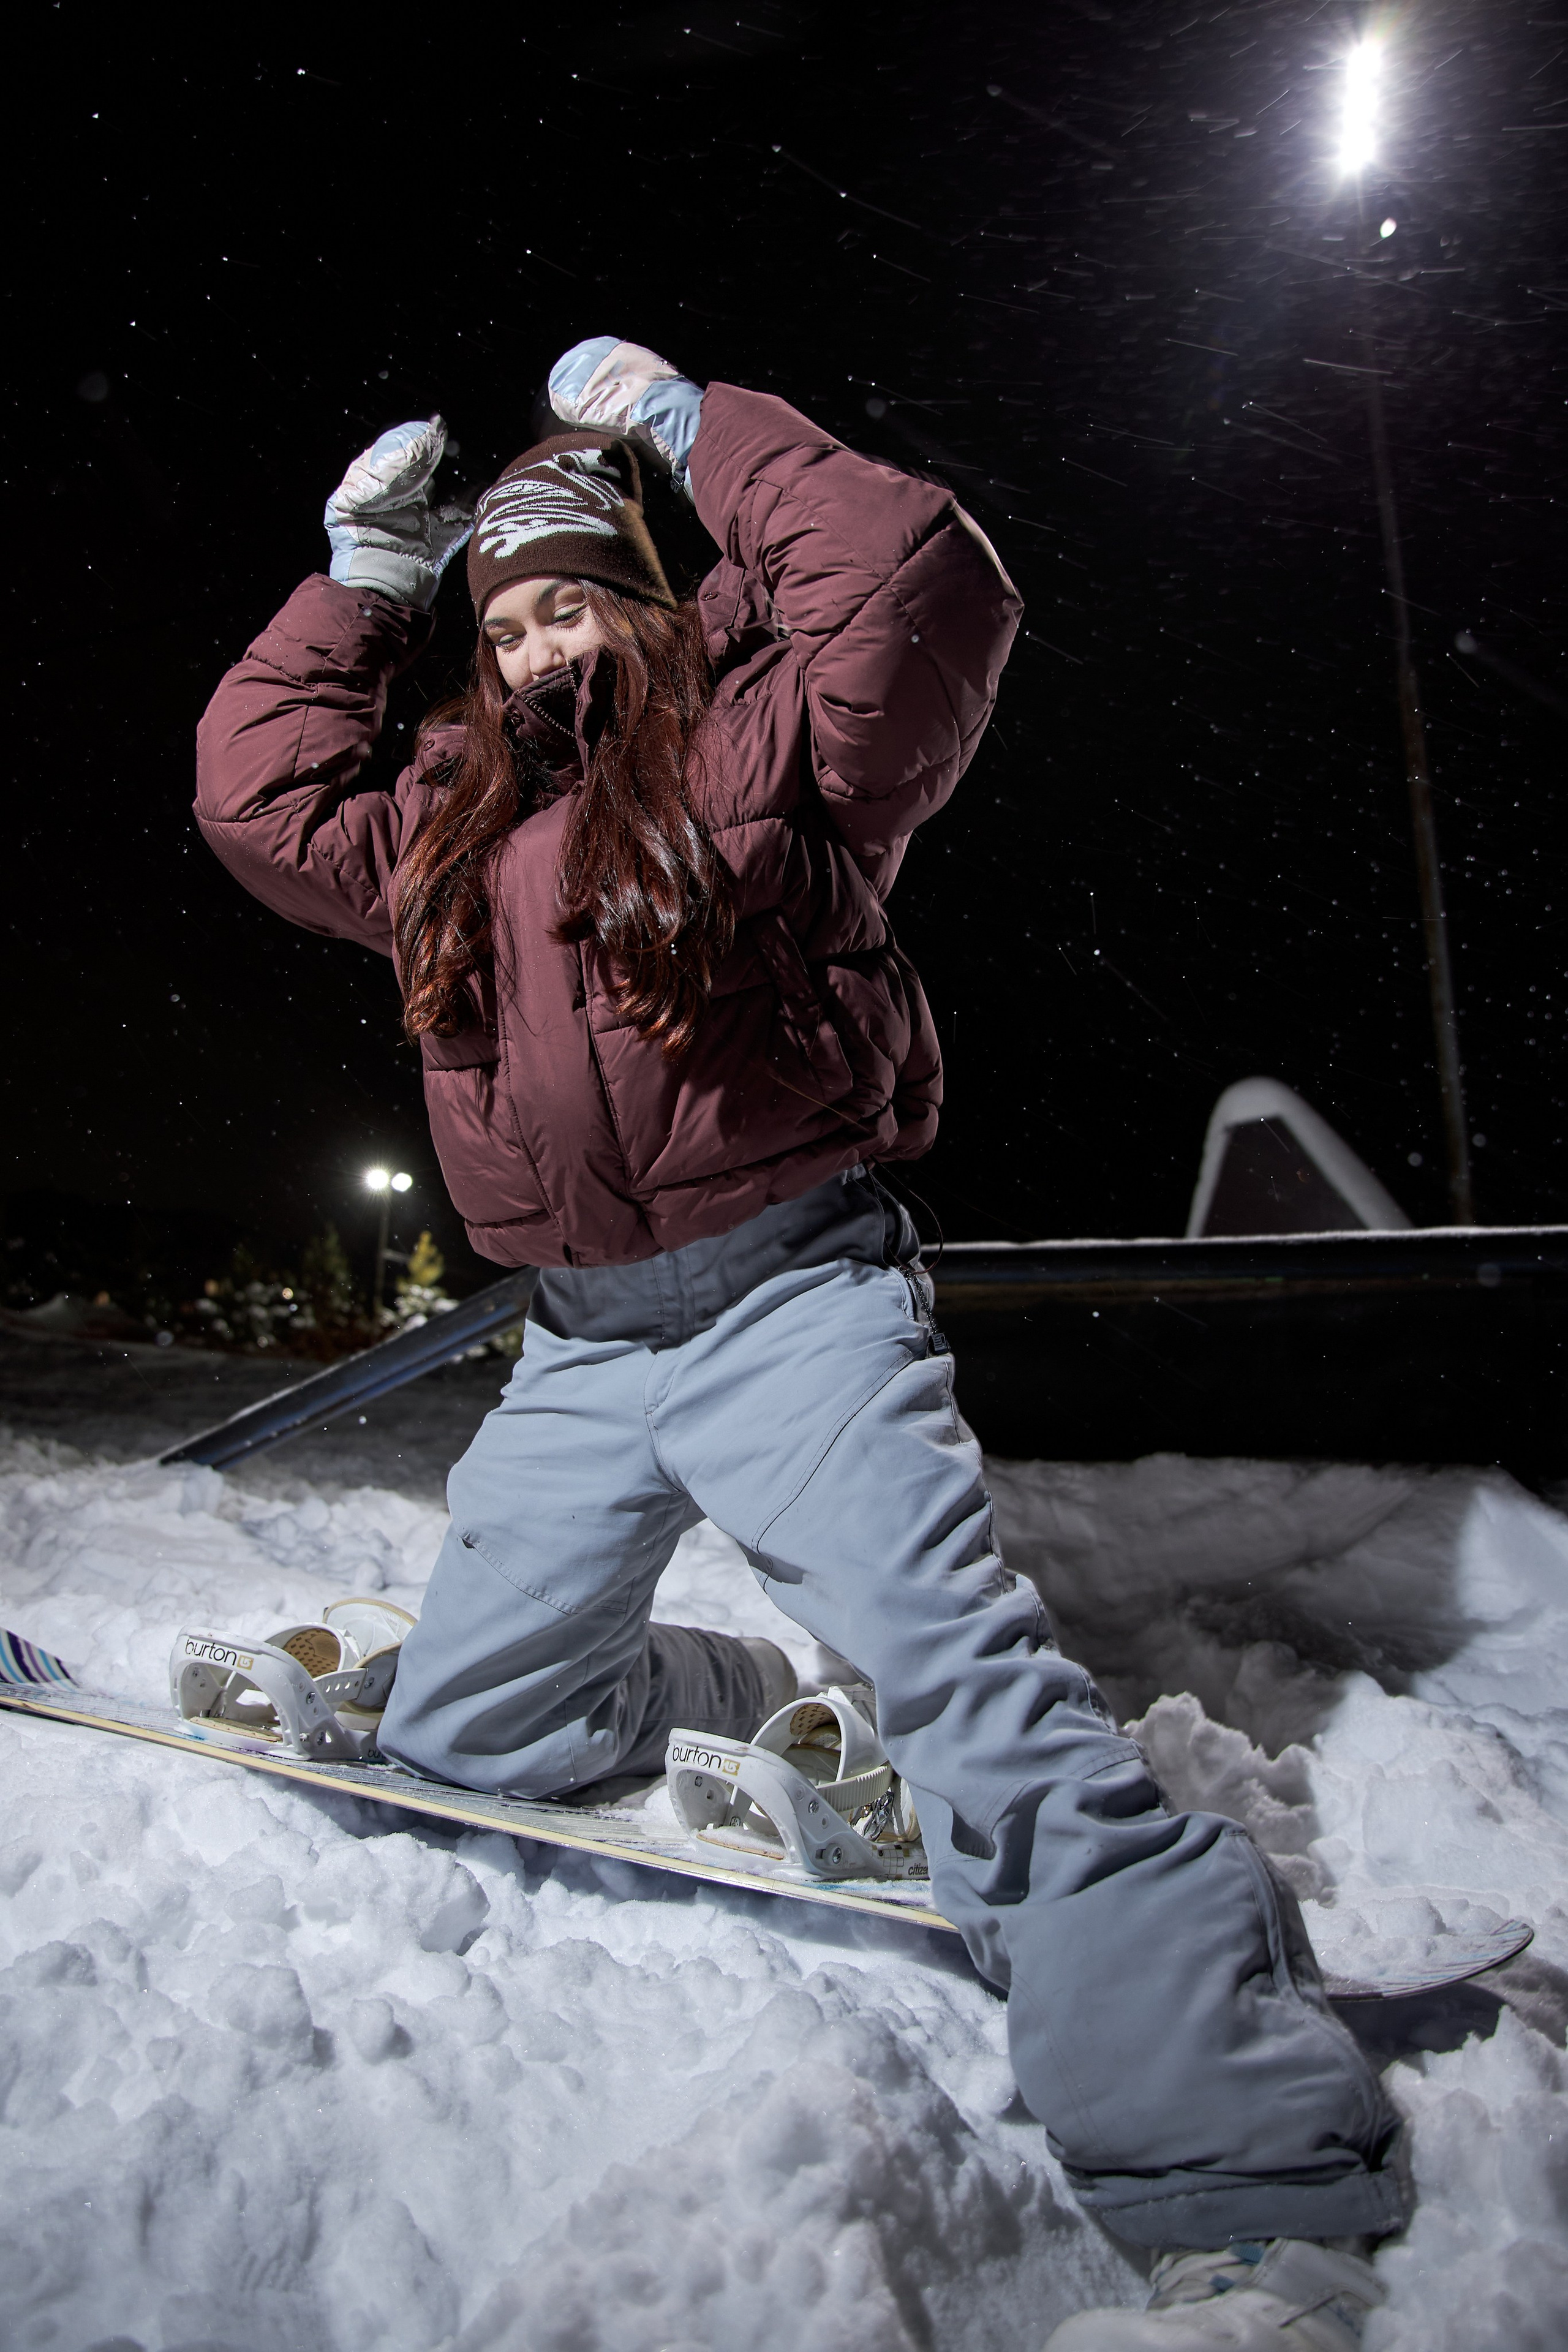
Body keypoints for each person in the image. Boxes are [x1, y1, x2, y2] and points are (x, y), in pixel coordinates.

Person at [195, 338, 1405, 2346]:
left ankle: (1237, 2160)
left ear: (646, 595)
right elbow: (252, 795)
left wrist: (697, 430)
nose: (539, 642)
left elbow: (920, 586)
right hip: (583, 1346)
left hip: (797, 1304)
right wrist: (365, 583)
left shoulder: (764, 735)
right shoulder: (438, 828)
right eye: (504, 619)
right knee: (473, 1739)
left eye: (573, 596)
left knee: (980, 1714)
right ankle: (729, 1683)